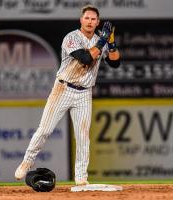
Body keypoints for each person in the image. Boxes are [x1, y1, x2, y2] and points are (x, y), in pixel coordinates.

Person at [15, 4, 120, 185]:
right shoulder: (71, 37)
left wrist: (110, 41)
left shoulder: (99, 40)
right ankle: (27, 161)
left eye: (93, 19)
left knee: (82, 136)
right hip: (63, 89)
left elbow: (115, 63)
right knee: (45, 130)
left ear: (97, 22)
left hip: (84, 93)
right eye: (86, 18)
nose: (89, 21)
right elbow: (86, 58)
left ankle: (81, 177)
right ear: (81, 20)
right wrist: (102, 41)